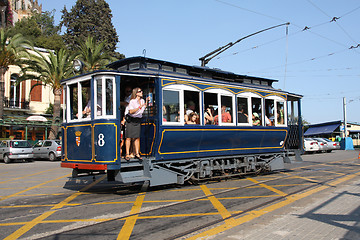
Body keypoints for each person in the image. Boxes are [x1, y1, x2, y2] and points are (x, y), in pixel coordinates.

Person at [125, 87, 149, 161]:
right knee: (128, 137)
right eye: (140, 91)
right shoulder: (132, 101)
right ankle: (127, 154)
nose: (141, 92)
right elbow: (131, 112)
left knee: (137, 137)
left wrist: (146, 103)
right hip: (131, 120)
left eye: (141, 91)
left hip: (138, 120)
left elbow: (143, 109)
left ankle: (137, 153)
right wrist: (139, 107)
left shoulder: (142, 100)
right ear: (136, 93)